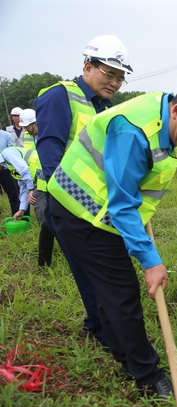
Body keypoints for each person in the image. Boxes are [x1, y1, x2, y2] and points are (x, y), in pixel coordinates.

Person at [47, 66, 177, 398]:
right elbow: (121, 206)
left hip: (100, 213)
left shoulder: (161, 113)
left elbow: (133, 189)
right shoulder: (134, 132)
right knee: (122, 294)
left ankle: (121, 352)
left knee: (110, 292)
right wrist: (151, 261)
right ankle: (148, 376)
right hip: (80, 213)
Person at [35, 34, 133, 345]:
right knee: (90, 270)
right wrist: (58, 204)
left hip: (89, 204)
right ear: (87, 66)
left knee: (93, 269)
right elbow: (49, 147)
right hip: (62, 201)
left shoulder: (103, 106)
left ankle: (95, 322)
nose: (115, 83)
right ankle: (102, 331)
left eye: (120, 77)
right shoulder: (60, 96)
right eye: (109, 74)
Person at [19, 109, 55, 267]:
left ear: (36, 123)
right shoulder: (28, 136)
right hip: (40, 183)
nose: (25, 129)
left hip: (57, 183)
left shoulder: (53, 133)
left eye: (27, 126)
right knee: (46, 221)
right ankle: (44, 263)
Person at [1, 146, 35, 219]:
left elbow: (24, 170)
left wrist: (31, 189)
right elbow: (23, 187)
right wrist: (21, 210)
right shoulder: (8, 165)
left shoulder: (7, 153)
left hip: (46, 169)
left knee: (40, 205)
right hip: (40, 176)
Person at [0, 130, 21, 215]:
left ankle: (16, 215)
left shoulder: (6, 136)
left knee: (13, 194)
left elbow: (12, 152)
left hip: (6, 169)